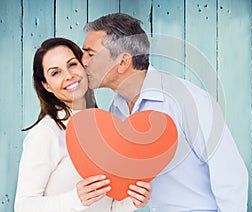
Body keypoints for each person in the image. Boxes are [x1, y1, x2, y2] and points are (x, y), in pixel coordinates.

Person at [81, 13, 249, 212]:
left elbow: (230, 175)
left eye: (90, 54)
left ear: (123, 62)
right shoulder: (117, 109)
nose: (83, 61)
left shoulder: (187, 100)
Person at [14, 37, 151, 212]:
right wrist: (76, 199)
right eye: (55, 73)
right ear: (46, 85)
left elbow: (108, 207)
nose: (69, 75)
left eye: (72, 64)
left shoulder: (104, 128)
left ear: (84, 67)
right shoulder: (47, 133)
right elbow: (24, 206)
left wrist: (133, 200)